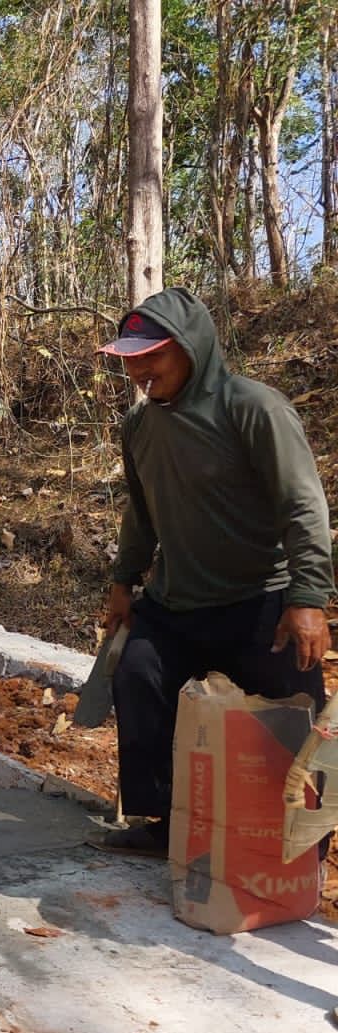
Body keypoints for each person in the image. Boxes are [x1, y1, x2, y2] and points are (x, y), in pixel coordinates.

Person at [96, 287, 333, 856]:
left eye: (151, 356)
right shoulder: (140, 426)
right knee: (138, 674)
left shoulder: (252, 408)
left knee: (287, 724)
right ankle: (169, 824)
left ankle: (302, 850)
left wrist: (308, 598)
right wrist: (123, 582)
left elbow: (303, 505)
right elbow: (141, 508)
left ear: (191, 349)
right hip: (177, 602)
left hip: (260, 602)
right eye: (129, 358)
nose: (138, 370)